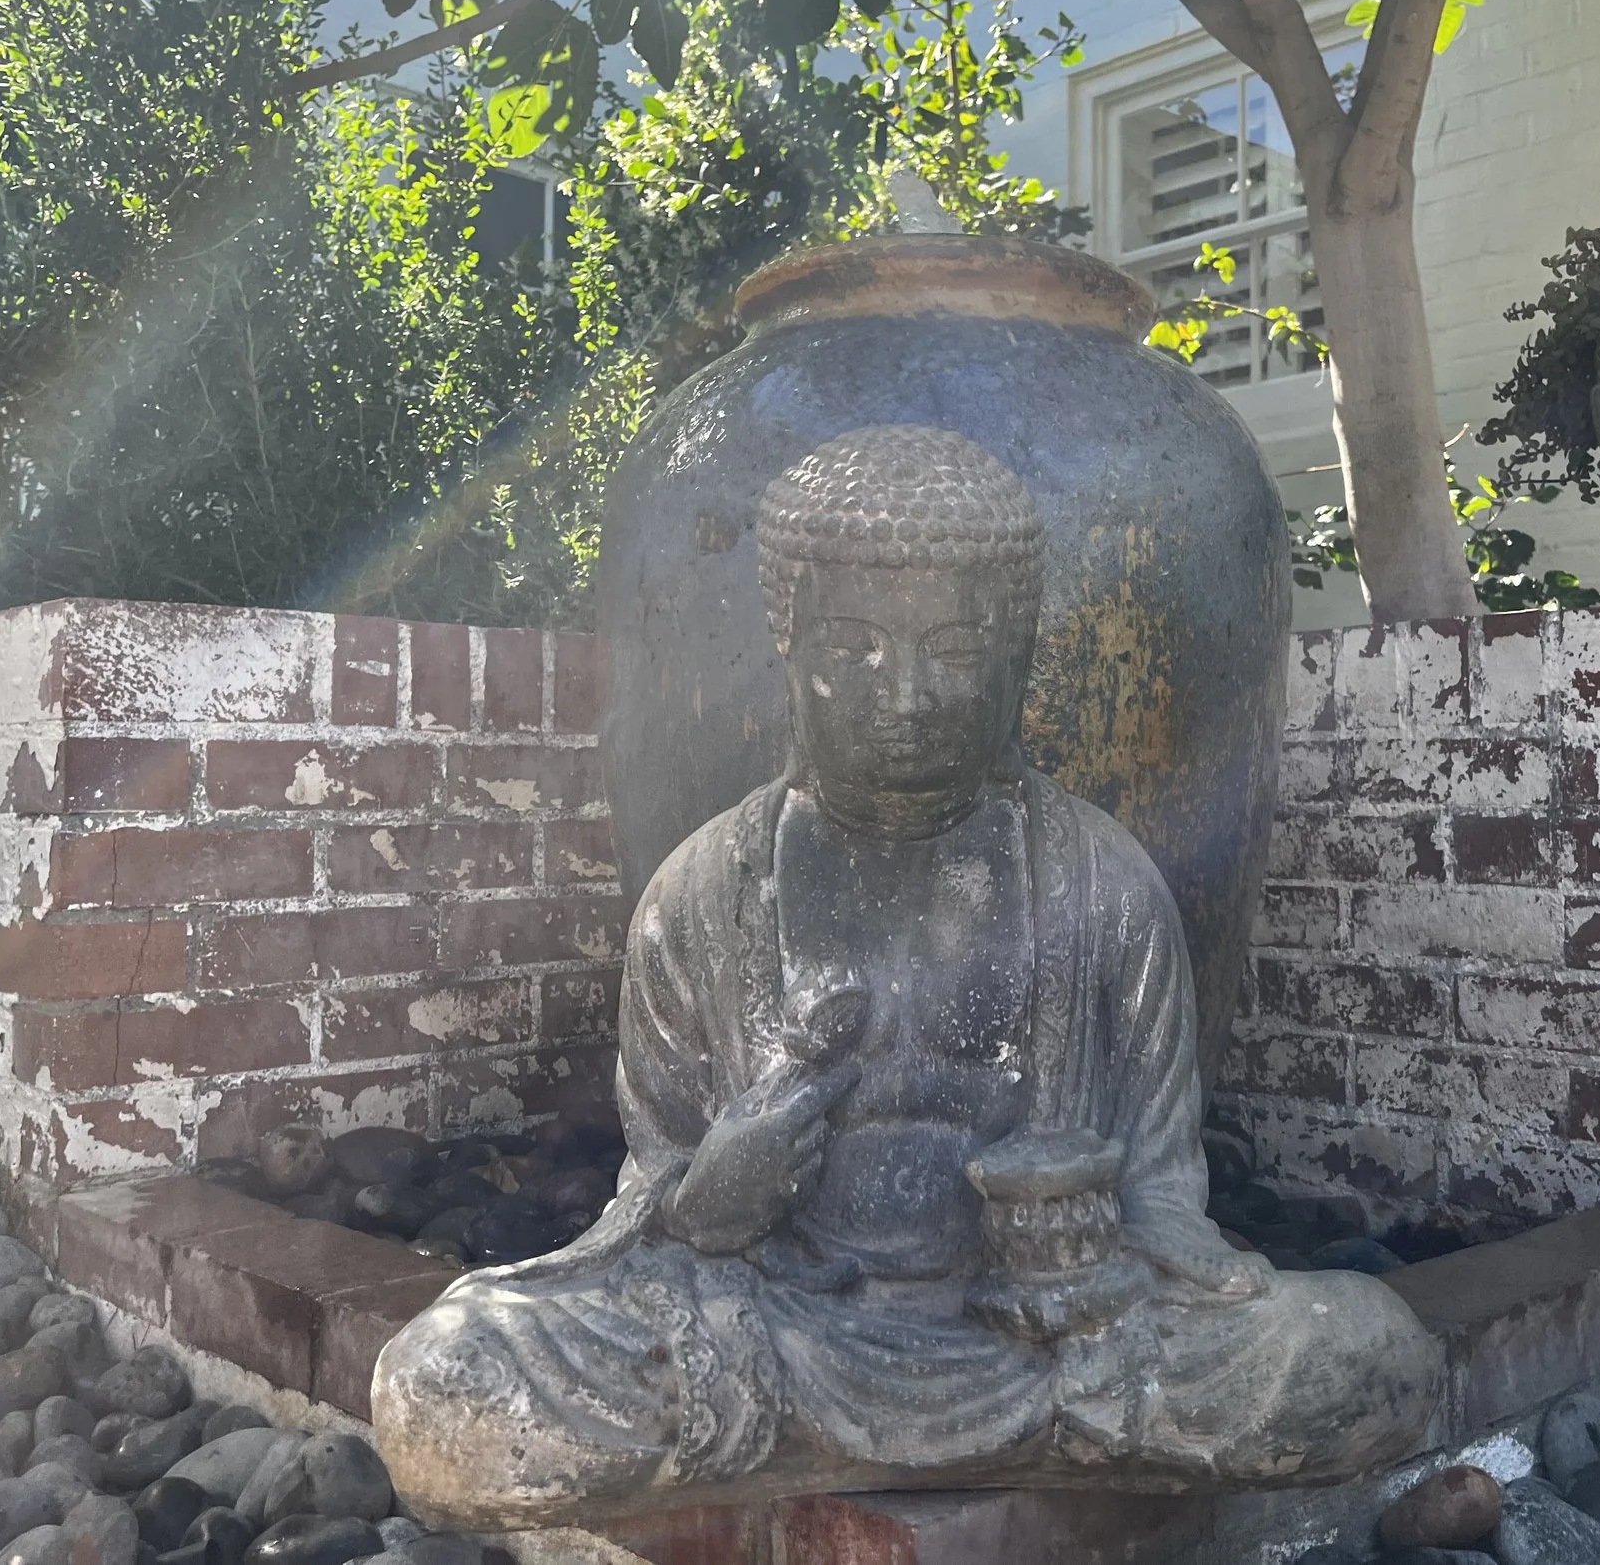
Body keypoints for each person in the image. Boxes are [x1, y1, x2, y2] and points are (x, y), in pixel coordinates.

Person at [372, 425, 1437, 1529]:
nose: (908, 693)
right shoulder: (702, 897)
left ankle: (946, 1436)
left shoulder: (1102, 886)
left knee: (1362, 1354)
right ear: (788, 653)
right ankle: (1024, 1446)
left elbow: (1163, 1194)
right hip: (774, 1329)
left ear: (1019, 659)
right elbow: (651, 1199)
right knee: (444, 1381)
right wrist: (709, 1203)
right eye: (852, 649)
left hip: (1042, 1340)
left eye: (956, 650)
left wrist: (1105, 1252)